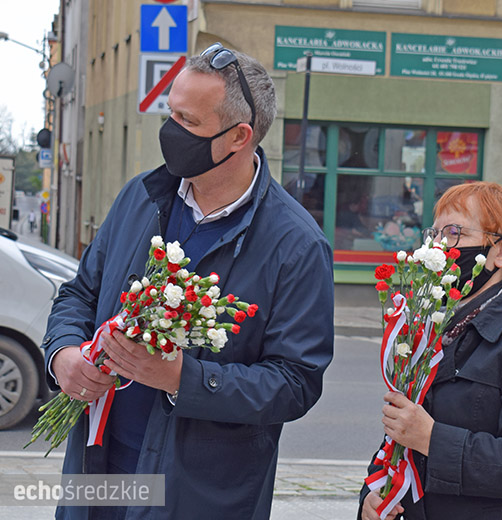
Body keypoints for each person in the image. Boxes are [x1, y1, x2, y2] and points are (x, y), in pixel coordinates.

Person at [43, 43, 334, 520]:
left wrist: (186, 379)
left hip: (199, 497)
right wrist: (63, 354)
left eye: (189, 123)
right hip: (100, 477)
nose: (170, 132)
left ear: (239, 137)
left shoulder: (297, 246)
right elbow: (80, 294)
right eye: (170, 113)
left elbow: (295, 383)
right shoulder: (140, 196)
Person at [360, 182, 502, 520]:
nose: (438, 245)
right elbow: (402, 436)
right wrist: (375, 495)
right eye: (433, 234)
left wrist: (432, 439)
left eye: (454, 233)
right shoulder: (437, 327)